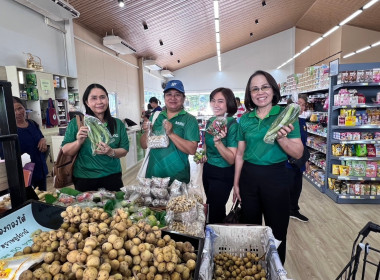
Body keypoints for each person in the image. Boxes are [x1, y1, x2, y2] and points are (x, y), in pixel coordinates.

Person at [233, 70, 303, 263]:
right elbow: (239, 154)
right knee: (252, 231)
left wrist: (282, 139)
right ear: (249, 93)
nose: (260, 92)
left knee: (277, 231)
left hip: (276, 178)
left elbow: (297, 152)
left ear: (273, 90)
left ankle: (276, 271)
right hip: (249, 178)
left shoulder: (286, 115)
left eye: (264, 87)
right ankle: (254, 270)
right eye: (254, 89)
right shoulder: (245, 119)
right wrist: (236, 183)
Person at [61, 83, 129, 192]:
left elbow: (124, 150)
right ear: (87, 102)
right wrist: (78, 142)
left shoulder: (118, 124)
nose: (99, 102)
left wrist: (111, 152)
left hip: (112, 176)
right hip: (84, 178)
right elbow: (66, 150)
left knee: (115, 207)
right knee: (87, 209)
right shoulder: (77, 123)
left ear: (107, 99)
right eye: (94, 98)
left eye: (102, 97)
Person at [140, 80, 199, 183]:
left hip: (177, 178)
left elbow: (192, 150)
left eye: (177, 95)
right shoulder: (155, 116)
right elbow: (144, 145)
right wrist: (147, 132)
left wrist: (171, 134)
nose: (173, 98)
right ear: (164, 98)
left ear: (183, 98)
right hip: (153, 176)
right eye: (169, 94)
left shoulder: (189, 119)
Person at [199, 87, 238, 223]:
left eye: (220, 101)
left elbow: (231, 159)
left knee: (215, 210)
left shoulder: (232, 124)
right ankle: (215, 234)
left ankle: (215, 237)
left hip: (223, 173)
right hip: (208, 170)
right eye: (213, 101)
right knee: (211, 206)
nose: (216, 104)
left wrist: (218, 142)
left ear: (229, 103)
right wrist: (203, 154)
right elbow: (205, 145)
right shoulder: (211, 121)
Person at [11, 97, 48, 190]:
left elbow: (40, 138)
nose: (18, 112)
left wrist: (43, 140)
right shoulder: (9, 132)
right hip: (24, 177)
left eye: (20, 108)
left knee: (42, 199)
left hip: (40, 171)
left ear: (24, 108)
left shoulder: (32, 124)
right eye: (13, 110)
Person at [287, 94, 309, 222]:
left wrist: (305, 160)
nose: (300, 106)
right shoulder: (288, 121)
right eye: (298, 103)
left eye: (303, 104)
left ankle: (294, 210)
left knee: (297, 187)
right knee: (288, 187)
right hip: (289, 162)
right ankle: (286, 210)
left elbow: (303, 143)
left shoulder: (302, 121)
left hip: (299, 161)